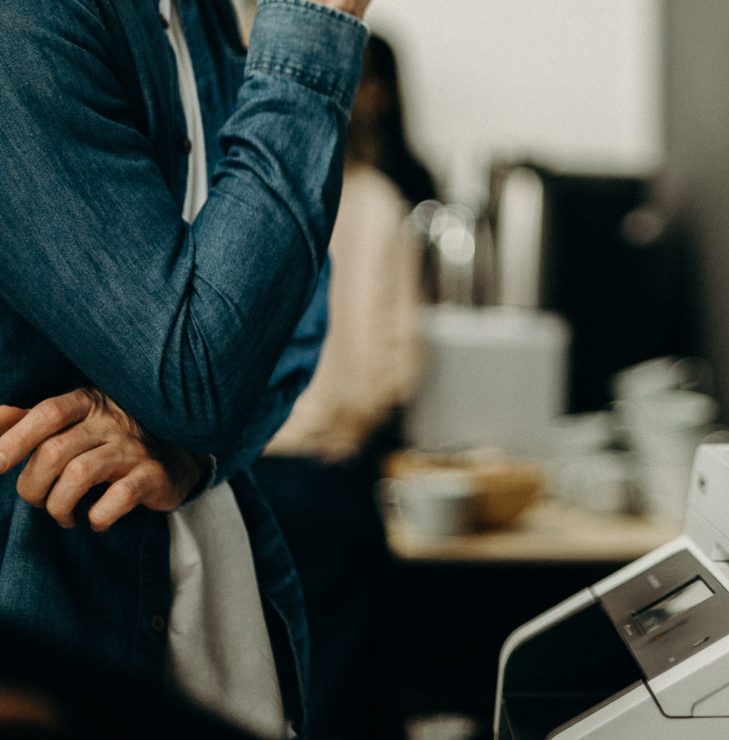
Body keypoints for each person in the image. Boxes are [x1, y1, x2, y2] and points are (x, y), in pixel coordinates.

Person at [0, 0, 369, 736]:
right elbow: (198, 372)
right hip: (61, 637)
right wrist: (314, 23)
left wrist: (188, 449)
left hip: (218, 621)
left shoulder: (193, 14)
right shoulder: (29, 19)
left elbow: (293, 316)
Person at [252, 33, 435, 739]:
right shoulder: (381, 203)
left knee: (260, 671)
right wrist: (352, 419)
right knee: (336, 684)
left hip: (243, 472)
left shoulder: (260, 199)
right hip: (329, 472)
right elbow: (393, 365)